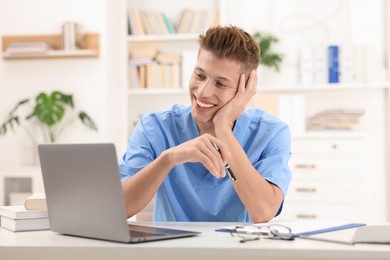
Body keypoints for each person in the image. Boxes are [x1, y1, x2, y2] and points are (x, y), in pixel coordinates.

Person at [119, 25, 291, 223]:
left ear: (245, 89)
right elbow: (120, 208)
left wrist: (223, 128)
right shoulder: (154, 127)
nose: (202, 92)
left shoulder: (271, 133)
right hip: (173, 252)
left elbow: (263, 211)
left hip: (239, 251)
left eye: (220, 84)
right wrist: (169, 158)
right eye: (200, 75)